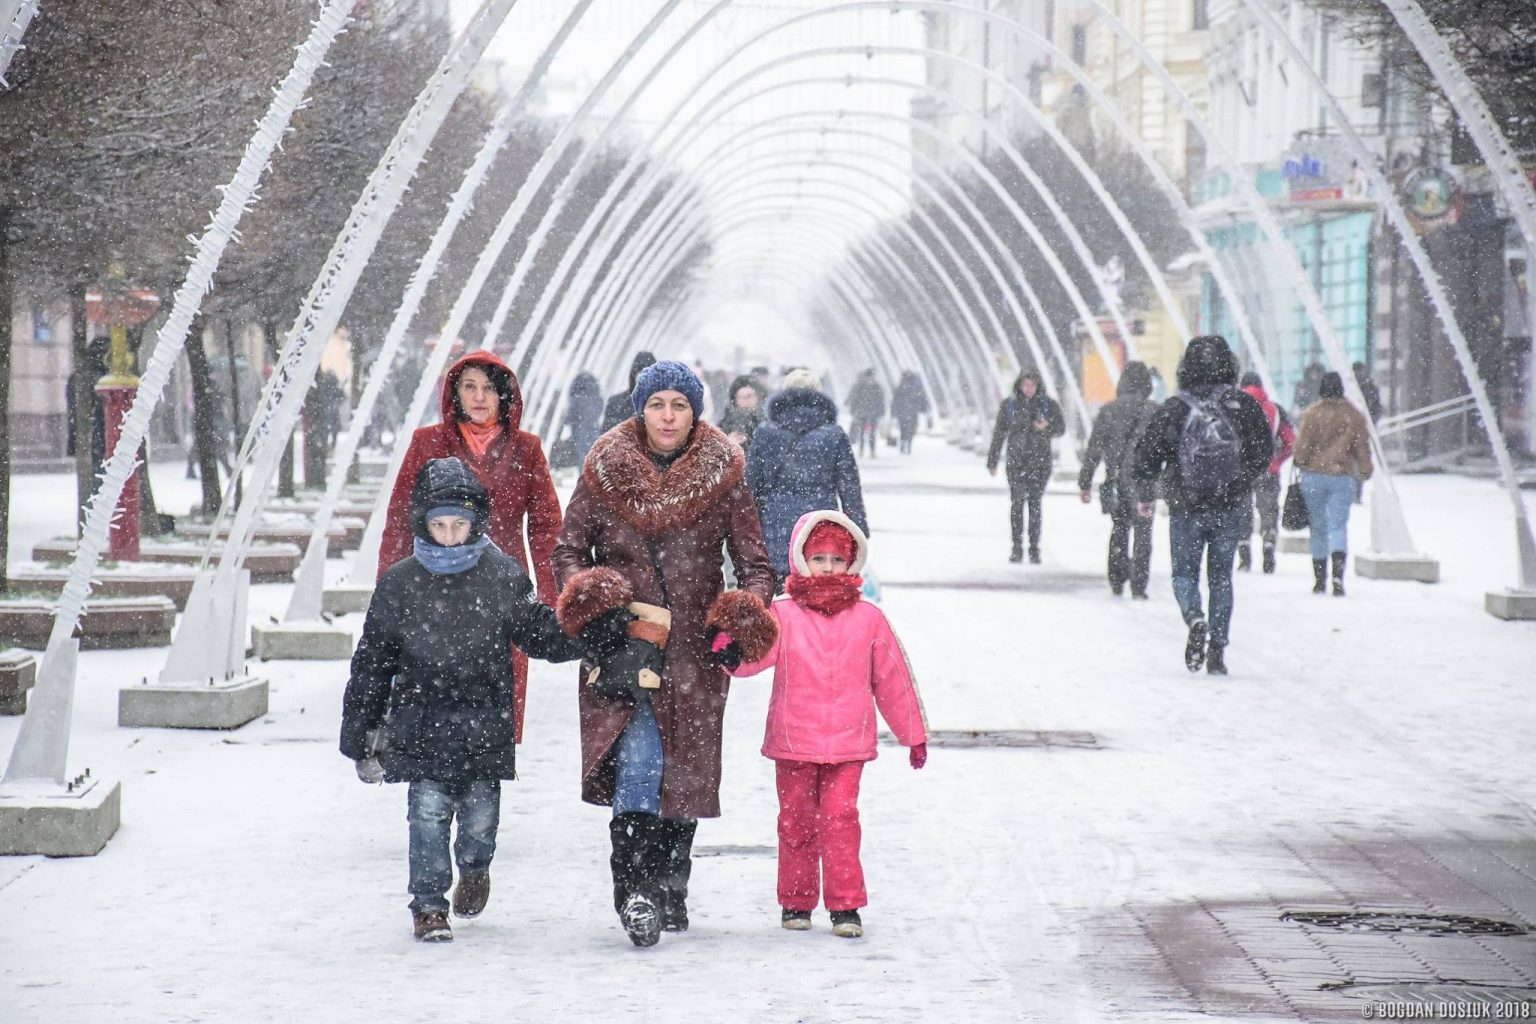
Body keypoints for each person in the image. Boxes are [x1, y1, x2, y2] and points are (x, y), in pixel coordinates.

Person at [340, 457, 619, 943]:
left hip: (483, 723)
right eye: (439, 524)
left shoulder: (500, 576)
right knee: (425, 815)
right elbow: (372, 660)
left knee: (480, 822)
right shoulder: (400, 583)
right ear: (423, 524)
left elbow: (537, 632)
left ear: (476, 523)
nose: (449, 534)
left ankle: (474, 869)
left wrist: (585, 629)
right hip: (421, 722)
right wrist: (361, 730)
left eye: (460, 524)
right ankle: (428, 904)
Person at [552, 360, 778, 948]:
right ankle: (636, 893)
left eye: (679, 404)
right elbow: (568, 550)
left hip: (695, 654)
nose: (668, 416)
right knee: (639, 766)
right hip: (623, 647)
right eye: (658, 404)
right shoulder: (604, 470)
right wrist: (594, 606)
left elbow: (756, 565)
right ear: (640, 408)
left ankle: (672, 881)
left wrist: (739, 618)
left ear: (695, 411)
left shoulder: (725, 476)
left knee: (685, 774)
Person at [720, 510, 927, 939]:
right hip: (794, 739)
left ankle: (845, 905)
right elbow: (755, 658)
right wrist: (728, 650)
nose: (828, 567)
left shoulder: (869, 619)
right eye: (819, 558)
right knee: (795, 821)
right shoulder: (782, 614)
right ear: (800, 560)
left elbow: (892, 678)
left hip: (848, 742)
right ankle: (796, 901)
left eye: (836, 558)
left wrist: (913, 734)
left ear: (852, 562)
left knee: (840, 820)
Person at [378, 351, 562, 745]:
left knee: (499, 683)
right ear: (454, 393)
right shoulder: (427, 442)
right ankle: (432, 768)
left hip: (504, 587)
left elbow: (546, 527)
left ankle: (487, 767)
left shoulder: (526, 449)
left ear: (505, 395)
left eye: (490, 388)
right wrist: (389, 588)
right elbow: (399, 518)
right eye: (469, 386)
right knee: (432, 680)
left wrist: (553, 595)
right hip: (434, 580)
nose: (480, 397)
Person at [1131, 336, 1273, 676]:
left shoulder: (1176, 408)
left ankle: (1195, 617)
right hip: (1230, 505)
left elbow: (1146, 456)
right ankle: (1218, 650)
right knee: (1222, 578)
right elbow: (1263, 452)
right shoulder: (1242, 405)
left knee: (1184, 574)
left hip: (1186, 504)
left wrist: (1148, 484)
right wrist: (1241, 481)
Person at [746, 372, 869, 591]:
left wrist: (746, 529)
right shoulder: (833, 434)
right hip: (820, 520)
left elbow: (751, 485)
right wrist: (858, 529)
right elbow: (849, 486)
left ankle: (783, 623)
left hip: (776, 521)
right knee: (819, 584)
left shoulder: (766, 432)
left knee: (780, 590)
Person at [1077, 362, 1159, 597]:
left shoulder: (1109, 410)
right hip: (1145, 482)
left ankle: (1117, 575)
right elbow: (1168, 448)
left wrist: (1085, 482)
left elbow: (1093, 450)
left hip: (1118, 480)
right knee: (1144, 532)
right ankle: (1139, 583)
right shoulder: (1155, 411)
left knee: (1120, 528)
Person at [1293, 371, 1373, 596]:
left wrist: (1301, 459)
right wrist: (1365, 468)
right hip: (1342, 476)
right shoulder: (1353, 416)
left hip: (1314, 477)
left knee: (1317, 528)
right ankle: (1338, 577)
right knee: (1338, 527)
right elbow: (1362, 447)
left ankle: (1320, 580)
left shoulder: (1312, 414)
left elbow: (1302, 448)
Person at [987, 369, 1066, 564]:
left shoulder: (1048, 406)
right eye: (1025, 385)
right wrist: (993, 459)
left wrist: (1047, 426)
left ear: (1038, 386)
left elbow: (1061, 428)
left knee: (1035, 504)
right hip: (1016, 461)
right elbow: (999, 433)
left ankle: (1034, 547)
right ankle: (1017, 546)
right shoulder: (1010, 406)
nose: (1028, 389)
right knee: (1016, 504)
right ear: (1019, 385)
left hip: (1039, 463)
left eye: (1032, 385)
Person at [1236, 372, 1296, 574]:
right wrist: (1277, 461)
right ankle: (1269, 543)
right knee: (1268, 509)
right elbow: (1290, 442)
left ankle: (1244, 551)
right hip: (1267, 469)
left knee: (1242, 509)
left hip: (1241, 470)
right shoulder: (1275, 410)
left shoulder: (1234, 408)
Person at [554, 371, 604, 469]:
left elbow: (568, 420)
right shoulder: (598, 400)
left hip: (579, 436)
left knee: (582, 459)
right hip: (594, 434)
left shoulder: (576, 400)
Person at [602, 350, 657, 433]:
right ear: (633, 376)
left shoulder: (664, 405)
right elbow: (606, 436)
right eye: (640, 375)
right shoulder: (616, 403)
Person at [716, 373, 766, 451]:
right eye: (741, 397)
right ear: (735, 400)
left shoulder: (766, 423)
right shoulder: (725, 424)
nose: (746, 401)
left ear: (758, 397)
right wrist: (727, 445)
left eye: (749, 396)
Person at [845, 368, 886, 459]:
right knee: (863, 432)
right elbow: (855, 400)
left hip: (872, 413)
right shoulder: (861, 387)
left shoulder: (876, 387)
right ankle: (862, 450)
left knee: (872, 433)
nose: (870, 379)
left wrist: (880, 412)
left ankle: (872, 451)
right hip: (862, 413)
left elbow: (881, 401)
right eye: (869, 377)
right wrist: (854, 411)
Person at [890, 371, 930, 455]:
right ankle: (908, 445)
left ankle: (904, 445)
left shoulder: (900, 388)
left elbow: (895, 401)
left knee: (903, 430)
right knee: (910, 430)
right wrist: (923, 409)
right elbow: (922, 400)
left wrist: (894, 412)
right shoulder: (915, 388)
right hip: (912, 413)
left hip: (903, 413)